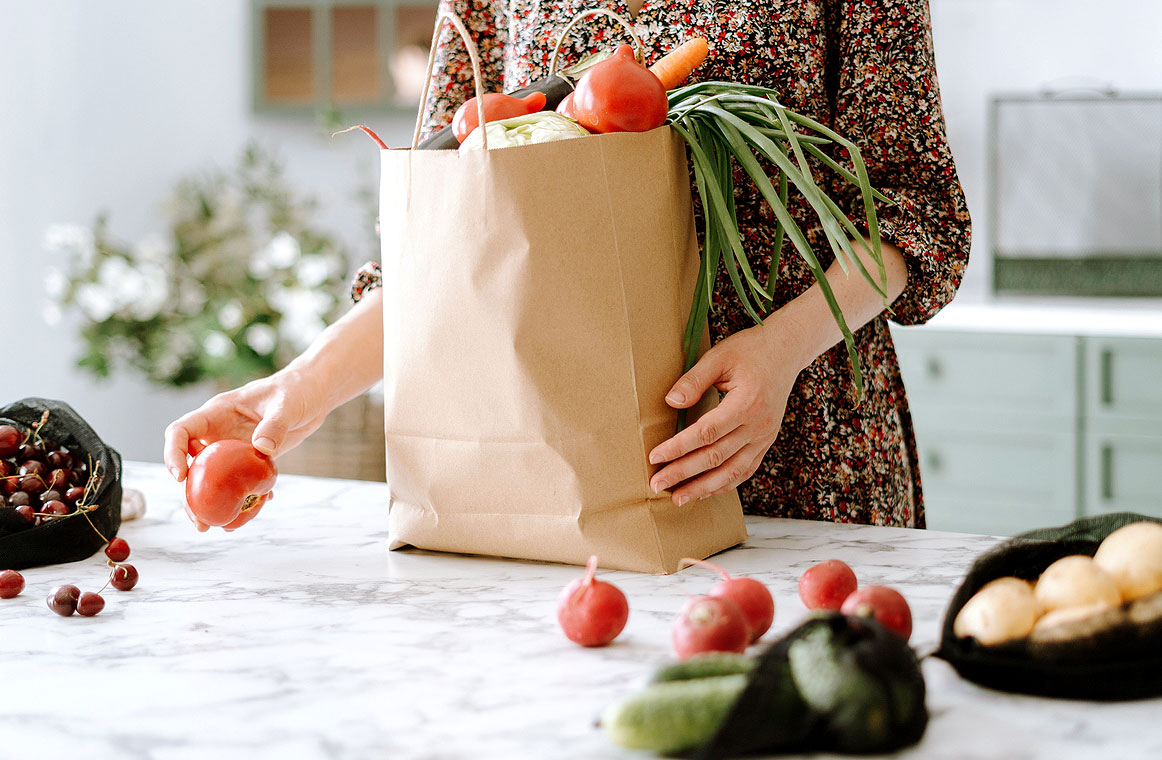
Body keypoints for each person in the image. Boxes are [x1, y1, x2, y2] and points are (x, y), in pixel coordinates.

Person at [165, 0, 970, 532]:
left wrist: (781, 349)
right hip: (556, 463)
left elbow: (916, 212)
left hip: (797, 445)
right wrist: (294, 390)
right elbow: (455, 228)